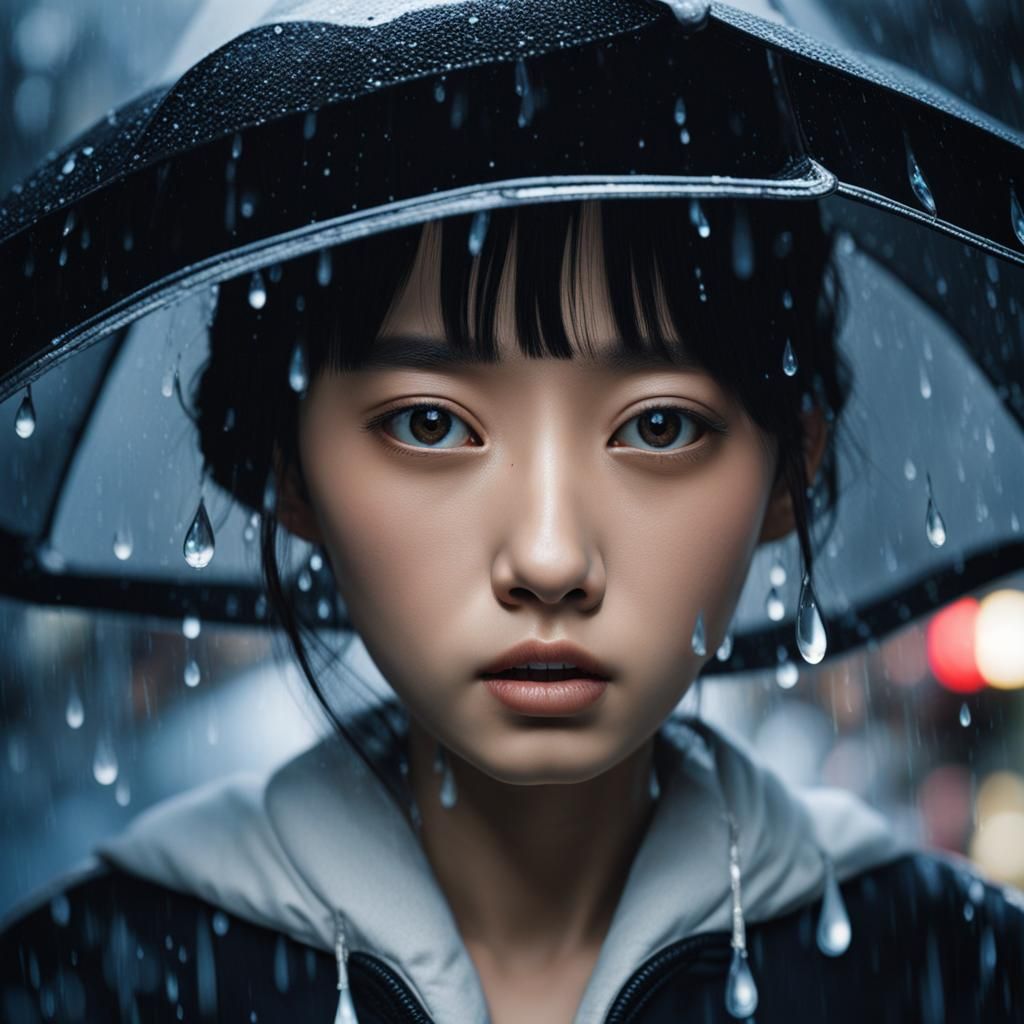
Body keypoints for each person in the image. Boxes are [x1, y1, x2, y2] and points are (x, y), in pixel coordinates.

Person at [2, 194, 1022, 1023]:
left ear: (788, 470)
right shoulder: (96, 981)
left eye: (658, 425)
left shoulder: (950, 972)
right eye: (432, 422)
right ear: (290, 468)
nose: (547, 556)